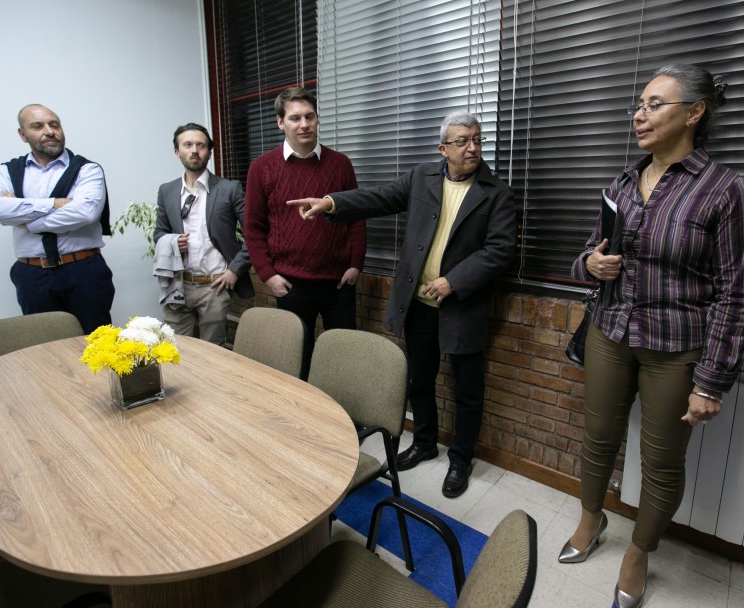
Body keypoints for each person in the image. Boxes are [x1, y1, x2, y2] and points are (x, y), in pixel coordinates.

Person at [559, 65, 744, 608]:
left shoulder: (725, 190)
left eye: (654, 104)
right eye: (639, 104)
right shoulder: (622, 183)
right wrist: (591, 263)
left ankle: (639, 553)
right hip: (610, 333)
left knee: (662, 462)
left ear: (694, 113)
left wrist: (711, 382)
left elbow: (738, 295)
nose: (639, 114)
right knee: (597, 440)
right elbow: (585, 254)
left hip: (677, 351)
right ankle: (590, 522)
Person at [288, 111, 516, 498]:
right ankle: (425, 442)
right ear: (443, 149)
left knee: (467, 389)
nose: (473, 148)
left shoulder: (497, 193)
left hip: (461, 304)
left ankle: (461, 458)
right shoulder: (421, 177)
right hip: (420, 302)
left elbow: (500, 250)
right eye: (462, 141)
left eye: (476, 140)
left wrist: (454, 281)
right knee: (419, 378)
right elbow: (378, 197)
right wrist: (330, 202)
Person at [243, 87, 365, 377]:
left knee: (344, 360)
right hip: (290, 285)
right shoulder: (262, 168)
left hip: (338, 285)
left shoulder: (340, 164)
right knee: (296, 363)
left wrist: (355, 264)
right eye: (295, 118)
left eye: (309, 116)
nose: (304, 124)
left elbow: (356, 218)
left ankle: (343, 419)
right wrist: (267, 275)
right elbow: (253, 227)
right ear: (280, 122)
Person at [0, 104, 115, 333]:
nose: (49, 131)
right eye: (38, 126)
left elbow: (85, 213)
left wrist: (26, 221)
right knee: (45, 349)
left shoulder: (88, 169)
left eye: (54, 125)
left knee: (97, 346)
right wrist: (54, 204)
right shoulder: (6, 171)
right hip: (31, 274)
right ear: (23, 135)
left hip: (84, 270)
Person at [154, 123, 252, 346]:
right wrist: (170, 242)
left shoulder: (229, 189)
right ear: (177, 151)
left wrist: (235, 270)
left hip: (214, 287)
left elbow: (253, 234)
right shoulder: (167, 191)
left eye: (201, 145)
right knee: (174, 350)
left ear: (209, 151)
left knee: (212, 353)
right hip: (177, 285)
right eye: (187, 145)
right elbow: (159, 232)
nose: (194, 150)